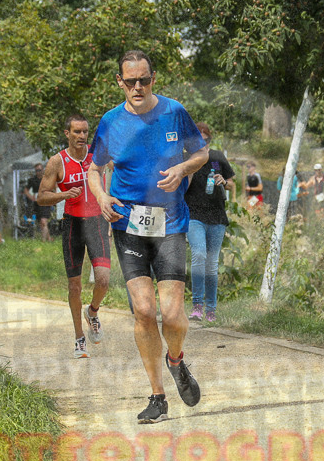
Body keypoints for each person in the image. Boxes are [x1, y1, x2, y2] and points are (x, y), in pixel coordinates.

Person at [87, 49, 208, 424]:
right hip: (129, 225)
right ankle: (157, 396)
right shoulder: (110, 122)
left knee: (172, 315)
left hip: (170, 224)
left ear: (154, 79)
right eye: (130, 81)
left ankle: (177, 360)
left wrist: (183, 167)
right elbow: (94, 168)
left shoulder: (174, 112)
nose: (137, 87)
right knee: (143, 310)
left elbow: (201, 152)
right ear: (120, 82)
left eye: (144, 80)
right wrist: (102, 196)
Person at [36, 114, 112, 359]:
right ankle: (79, 337)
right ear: (67, 133)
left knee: (103, 280)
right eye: (77, 132)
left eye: (85, 132)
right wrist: (64, 195)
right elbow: (42, 196)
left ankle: (93, 312)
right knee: (74, 284)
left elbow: (115, 169)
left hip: (97, 221)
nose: (82, 136)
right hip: (73, 225)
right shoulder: (57, 162)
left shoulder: (96, 155)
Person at [184, 122, 234, 323]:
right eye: (198, 141)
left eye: (206, 141)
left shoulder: (217, 157)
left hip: (216, 215)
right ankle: (197, 306)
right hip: (194, 214)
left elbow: (231, 183)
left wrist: (224, 181)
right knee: (198, 254)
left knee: (212, 264)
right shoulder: (186, 159)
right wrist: (191, 169)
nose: (202, 144)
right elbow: (182, 188)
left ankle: (211, 310)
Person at [23, 163, 52, 242]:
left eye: (39, 170)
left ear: (43, 170)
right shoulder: (32, 180)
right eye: (36, 170)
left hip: (45, 202)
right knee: (41, 222)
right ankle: (49, 239)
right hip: (37, 203)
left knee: (43, 221)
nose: (38, 172)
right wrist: (31, 197)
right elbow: (26, 190)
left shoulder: (46, 179)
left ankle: (43, 241)